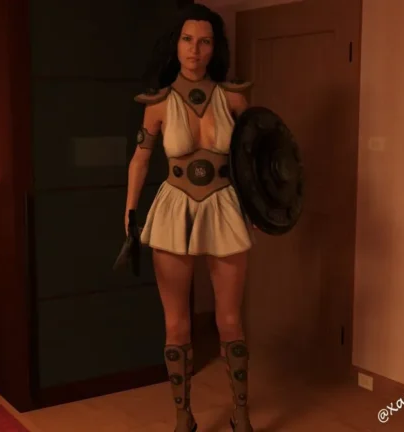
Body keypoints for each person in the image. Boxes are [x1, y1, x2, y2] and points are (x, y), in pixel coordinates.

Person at [125, 4, 255, 432]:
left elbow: (254, 158)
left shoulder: (234, 98)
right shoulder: (158, 103)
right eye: (186, 40)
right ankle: (184, 417)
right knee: (176, 323)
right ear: (175, 44)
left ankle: (241, 413)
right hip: (174, 208)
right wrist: (129, 212)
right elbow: (140, 159)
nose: (194, 50)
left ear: (215, 47)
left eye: (204, 41)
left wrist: (260, 205)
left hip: (225, 205)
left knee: (230, 320)